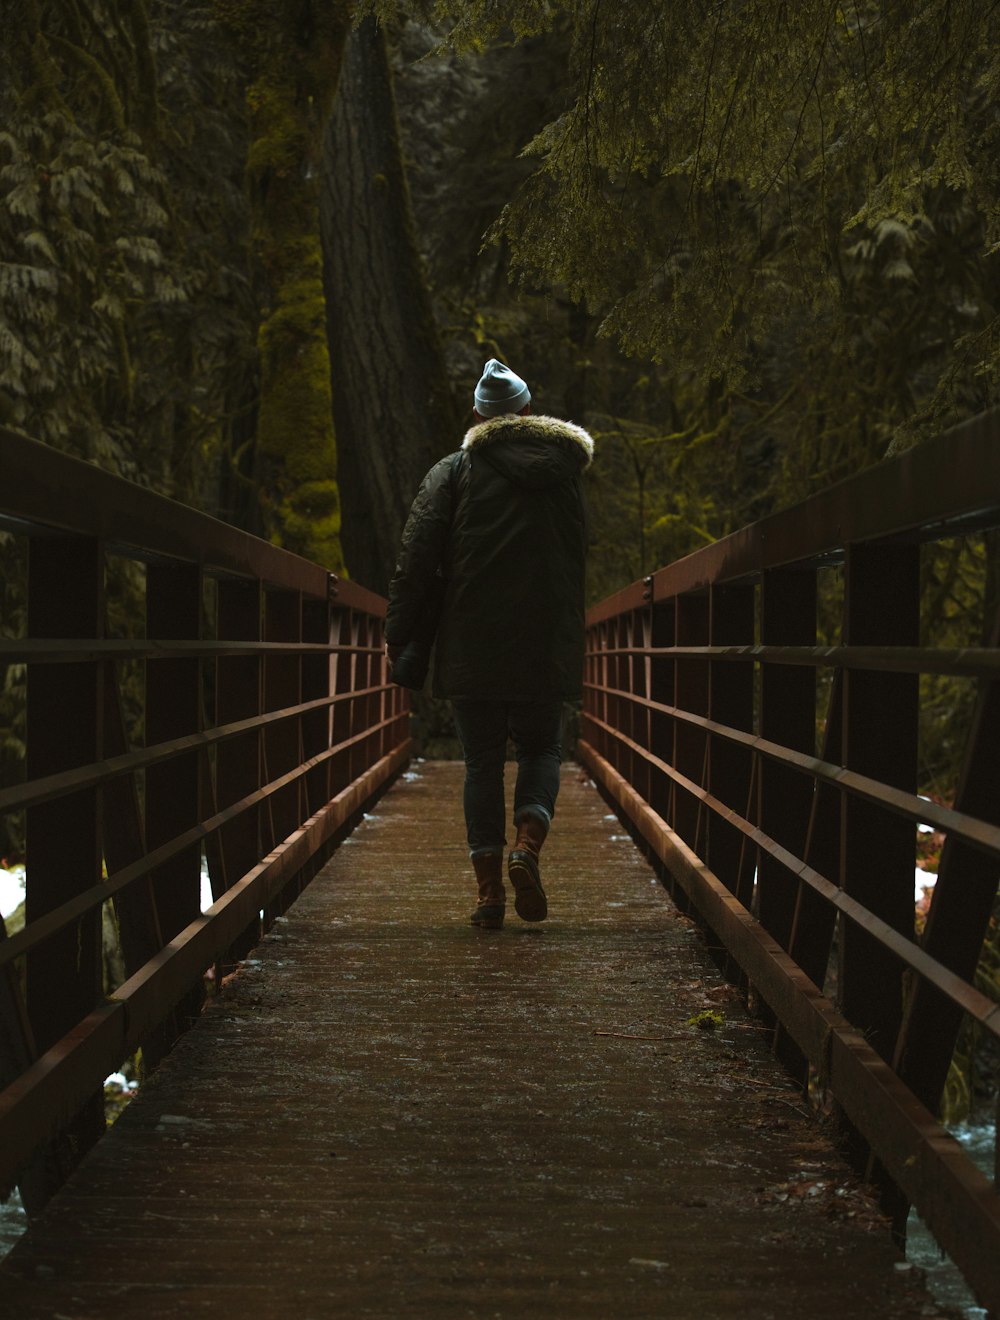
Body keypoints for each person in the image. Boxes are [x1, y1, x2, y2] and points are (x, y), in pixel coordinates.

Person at [384, 358, 594, 929]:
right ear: (527, 412)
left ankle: (488, 895)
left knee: (481, 763)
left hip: (471, 645)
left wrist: (400, 635)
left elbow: (415, 563)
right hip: (544, 644)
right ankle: (527, 845)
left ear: (478, 415)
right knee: (541, 751)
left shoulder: (453, 473)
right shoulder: (565, 474)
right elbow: (574, 563)